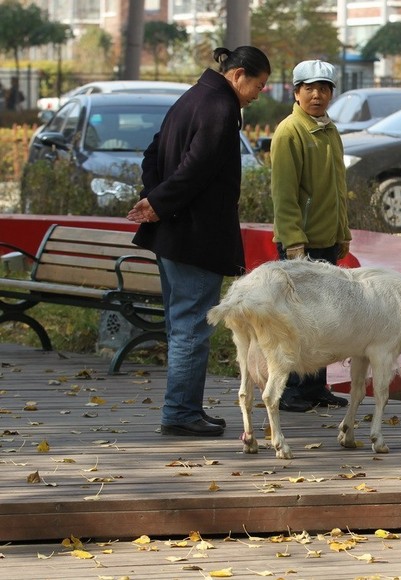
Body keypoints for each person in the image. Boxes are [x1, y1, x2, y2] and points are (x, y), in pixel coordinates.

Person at [127, 46, 271, 437]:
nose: (260, 94)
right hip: (198, 238)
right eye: (259, 85)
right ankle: (180, 413)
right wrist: (158, 202)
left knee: (181, 325)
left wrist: (156, 199)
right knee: (193, 327)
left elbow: (152, 153)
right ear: (239, 75)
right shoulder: (220, 107)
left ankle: (183, 408)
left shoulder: (192, 97)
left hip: (173, 235)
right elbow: (197, 168)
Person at [269, 59, 352, 413]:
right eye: (309, 88)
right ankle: (290, 392)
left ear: (332, 92)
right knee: (296, 322)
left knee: (324, 320)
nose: (317, 95)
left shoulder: (328, 129)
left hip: (326, 241)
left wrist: (342, 233)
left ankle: (315, 388)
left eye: (324, 88)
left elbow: (337, 188)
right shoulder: (290, 132)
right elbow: (284, 194)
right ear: (296, 91)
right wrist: (293, 242)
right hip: (300, 243)